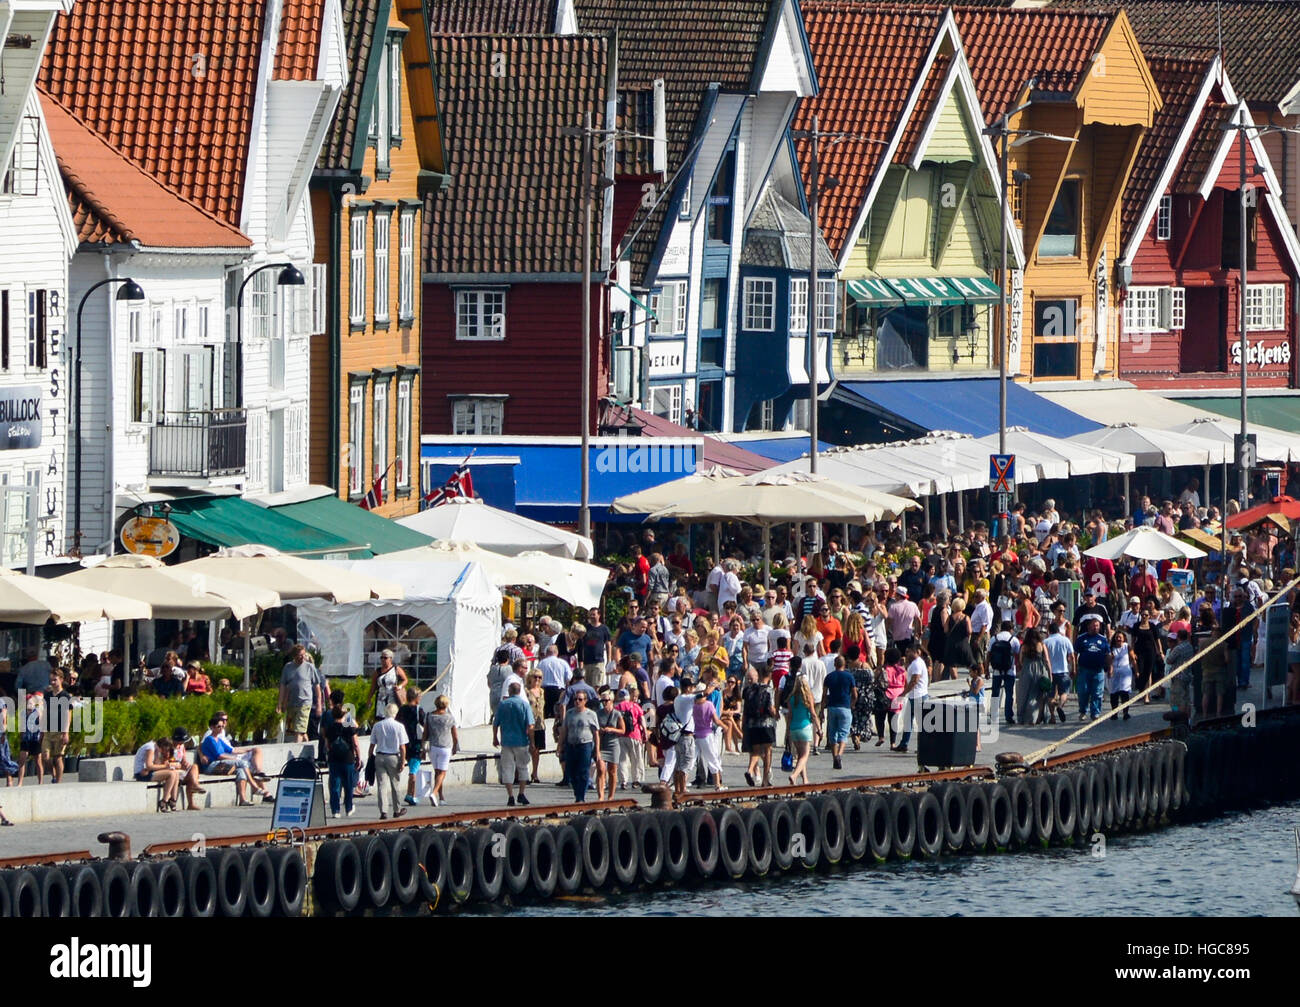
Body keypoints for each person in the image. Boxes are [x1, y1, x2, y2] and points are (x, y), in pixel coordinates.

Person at [199, 712, 273, 805]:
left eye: (222, 726)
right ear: (212, 727)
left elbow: (232, 750)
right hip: (211, 766)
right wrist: (236, 760)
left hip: (221, 764)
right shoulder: (210, 739)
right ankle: (254, 787)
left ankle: (243, 799)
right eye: (219, 726)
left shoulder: (219, 739)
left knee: (241, 771)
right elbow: (219, 756)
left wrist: (249, 749)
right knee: (242, 763)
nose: (221, 728)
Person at [492, 681, 535, 807]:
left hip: (506, 741)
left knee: (507, 769)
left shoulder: (503, 705)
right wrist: (532, 742)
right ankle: (521, 793)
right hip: (521, 740)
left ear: (509, 692)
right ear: (520, 691)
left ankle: (510, 795)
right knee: (523, 767)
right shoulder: (524, 705)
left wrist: (495, 738)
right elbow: (530, 725)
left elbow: (496, 723)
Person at [322, 690, 361, 817]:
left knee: (335, 785)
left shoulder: (329, 727)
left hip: (334, 759)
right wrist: (358, 757)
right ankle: (349, 808)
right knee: (348, 785)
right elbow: (355, 742)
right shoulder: (349, 725)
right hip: (347, 758)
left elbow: (327, 743)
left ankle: (335, 811)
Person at [557, 689, 600, 803]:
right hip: (571, 745)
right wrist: (559, 746)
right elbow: (564, 731)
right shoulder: (570, 713)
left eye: (580, 699)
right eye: (575, 699)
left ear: (585, 701)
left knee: (583, 771)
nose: (577, 702)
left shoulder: (591, 714)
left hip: (585, 745)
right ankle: (577, 792)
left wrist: (597, 750)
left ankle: (580, 797)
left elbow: (596, 733)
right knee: (571, 771)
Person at [370, 703, 409, 820]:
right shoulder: (399, 726)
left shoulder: (377, 725)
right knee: (395, 784)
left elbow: (372, 744)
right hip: (393, 756)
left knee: (382, 785)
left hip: (380, 756)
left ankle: (383, 811)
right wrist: (402, 761)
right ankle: (397, 810)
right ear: (395, 713)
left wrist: (370, 758)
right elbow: (402, 747)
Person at [784, 668, 820, 785]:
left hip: (794, 728)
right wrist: (819, 728)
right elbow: (813, 714)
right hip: (805, 727)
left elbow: (789, 715)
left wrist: (787, 731)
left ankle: (805, 780)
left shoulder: (791, 698)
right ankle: (794, 776)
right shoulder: (808, 697)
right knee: (805, 756)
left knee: (800, 755)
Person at [277, 644, 320, 743]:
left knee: (298, 730)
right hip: (292, 703)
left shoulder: (310, 667)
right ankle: (309, 749)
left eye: (304, 655)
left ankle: (296, 754)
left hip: (305, 703)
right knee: (300, 731)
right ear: (294, 656)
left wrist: (318, 704)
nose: (303, 658)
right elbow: (283, 686)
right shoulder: (288, 667)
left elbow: (317, 686)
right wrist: (280, 703)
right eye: (300, 655)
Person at [1074, 615, 1111, 723]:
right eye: (1094, 626)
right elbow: (1075, 653)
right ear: (1089, 626)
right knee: (1083, 691)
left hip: (1098, 670)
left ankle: (1095, 713)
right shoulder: (1081, 638)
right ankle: (1083, 711)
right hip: (1084, 670)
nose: (1095, 628)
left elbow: (1108, 654)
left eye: (1097, 626)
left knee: (1097, 693)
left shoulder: (1102, 639)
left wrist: (1110, 667)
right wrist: (1074, 667)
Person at [822, 655, 856, 770]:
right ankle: (839, 755)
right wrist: (852, 703)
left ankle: (834, 757)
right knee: (843, 733)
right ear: (844, 664)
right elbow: (855, 694)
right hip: (845, 707)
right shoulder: (849, 676)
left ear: (835, 664)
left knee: (832, 734)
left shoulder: (829, 677)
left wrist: (822, 710)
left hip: (832, 707)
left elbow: (824, 695)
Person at [425, 695, 458, 806]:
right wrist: (455, 745)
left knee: (437, 772)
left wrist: (422, 746)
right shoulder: (450, 717)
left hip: (433, 747)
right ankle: (434, 793)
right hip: (445, 746)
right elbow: (454, 734)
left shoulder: (429, 716)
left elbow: (425, 732)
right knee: (443, 772)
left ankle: (441, 798)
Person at [395, 687, 427, 807]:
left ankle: (410, 794)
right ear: (416, 697)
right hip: (415, 743)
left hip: (403, 742)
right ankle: (410, 794)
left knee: (411, 767)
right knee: (414, 770)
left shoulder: (402, 710)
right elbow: (425, 726)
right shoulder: (419, 710)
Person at [896, 642, 929, 753]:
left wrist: (903, 693)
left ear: (914, 651)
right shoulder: (915, 663)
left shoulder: (917, 664)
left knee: (920, 723)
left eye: (908, 651)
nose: (906, 654)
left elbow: (914, 680)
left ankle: (923, 746)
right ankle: (904, 743)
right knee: (908, 721)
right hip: (915, 696)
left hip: (918, 696)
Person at [691, 685, 725, 790]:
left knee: (691, 760)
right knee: (713, 759)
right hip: (707, 734)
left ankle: (681, 785)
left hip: (696, 734)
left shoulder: (693, 705)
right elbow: (716, 720)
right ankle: (718, 785)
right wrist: (725, 726)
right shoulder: (709, 705)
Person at [986, 622, 1020, 725]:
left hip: (996, 670)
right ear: (1011, 629)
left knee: (995, 693)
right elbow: (1017, 655)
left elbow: (988, 655)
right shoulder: (1013, 640)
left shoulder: (994, 638)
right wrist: (1018, 668)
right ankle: (1008, 716)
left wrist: (987, 669)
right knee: (1009, 694)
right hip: (1009, 670)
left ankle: (994, 716)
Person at [594, 688, 625, 799]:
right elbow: (595, 730)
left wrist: (612, 729)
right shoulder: (598, 714)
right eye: (602, 701)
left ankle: (611, 796)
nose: (604, 703)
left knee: (612, 771)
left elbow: (622, 730)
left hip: (613, 744)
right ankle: (600, 796)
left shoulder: (617, 714)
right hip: (602, 744)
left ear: (611, 701)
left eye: (606, 701)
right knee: (601, 769)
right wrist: (600, 731)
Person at [134, 737, 180, 811]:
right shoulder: (150, 748)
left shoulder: (155, 749)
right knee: (171, 774)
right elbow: (149, 766)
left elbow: (156, 764)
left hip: (148, 772)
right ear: (162, 747)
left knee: (176, 773)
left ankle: (173, 800)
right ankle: (164, 801)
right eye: (165, 750)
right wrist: (166, 766)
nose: (164, 753)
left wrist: (166, 764)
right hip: (141, 774)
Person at [1016, 628, 1051, 726]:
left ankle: (1022, 717)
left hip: (1027, 670)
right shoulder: (1041, 645)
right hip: (1040, 670)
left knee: (1024, 695)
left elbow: (1020, 660)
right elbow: (1047, 660)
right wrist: (1049, 673)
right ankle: (1039, 717)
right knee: (1038, 695)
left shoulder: (1024, 646)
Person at [1043, 622, 1075, 724]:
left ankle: (1052, 717)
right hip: (1063, 670)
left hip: (1050, 672)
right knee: (1064, 692)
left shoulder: (1046, 641)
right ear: (1058, 630)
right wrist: (1073, 669)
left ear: (1049, 631)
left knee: (1050, 695)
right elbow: (1072, 656)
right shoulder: (1065, 640)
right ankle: (1060, 706)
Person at [42, 670, 71, 784]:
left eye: (55, 680)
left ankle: (58, 781)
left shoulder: (65, 696)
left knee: (58, 757)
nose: (53, 682)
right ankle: (53, 774)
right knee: (45, 756)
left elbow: (68, 715)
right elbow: (45, 712)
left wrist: (66, 732)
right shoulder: (48, 695)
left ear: (61, 680)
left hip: (60, 730)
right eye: (51, 680)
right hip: (48, 730)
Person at [614, 687, 645, 788]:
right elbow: (642, 720)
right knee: (636, 758)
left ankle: (623, 781)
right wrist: (644, 731)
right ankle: (636, 780)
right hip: (635, 735)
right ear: (628, 696)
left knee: (622, 759)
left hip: (621, 735)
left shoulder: (617, 707)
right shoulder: (635, 706)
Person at [1164, 628, 1196, 720]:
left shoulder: (1178, 648)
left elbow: (1169, 660)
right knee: (1186, 700)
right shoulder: (1190, 646)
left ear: (1178, 637)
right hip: (1187, 675)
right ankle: (1188, 719)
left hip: (1178, 677)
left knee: (1175, 701)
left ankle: (1178, 718)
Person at [368, 649, 407, 722]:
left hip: (393, 697)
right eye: (381, 658)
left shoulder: (396, 669)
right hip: (381, 698)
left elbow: (405, 680)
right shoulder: (378, 671)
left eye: (385, 658)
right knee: (381, 718)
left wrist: (400, 686)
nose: (383, 660)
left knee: (393, 716)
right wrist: (369, 699)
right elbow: (373, 686)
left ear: (390, 659)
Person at [525, 672, 547, 784]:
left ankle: (535, 773)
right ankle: (524, 773)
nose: (537, 679)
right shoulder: (526, 691)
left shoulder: (542, 691)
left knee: (537, 750)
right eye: (535, 677)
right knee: (528, 748)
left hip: (540, 723)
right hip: (529, 723)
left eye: (540, 677)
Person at [1108, 629, 1135, 720]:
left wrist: (1137, 670)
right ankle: (1114, 713)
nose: (1118, 639)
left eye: (1120, 637)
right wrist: (1110, 669)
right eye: (1117, 637)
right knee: (1114, 693)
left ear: (1124, 639)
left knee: (1124, 692)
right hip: (1115, 672)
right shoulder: (1111, 648)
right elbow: (1109, 661)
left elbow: (1133, 659)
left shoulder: (1127, 647)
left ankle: (1125, 712)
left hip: (1125, 672)